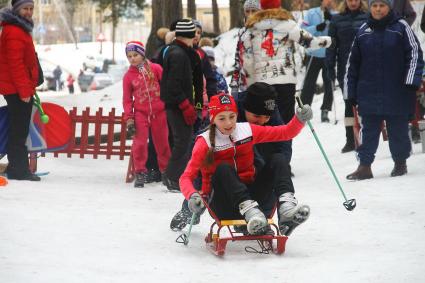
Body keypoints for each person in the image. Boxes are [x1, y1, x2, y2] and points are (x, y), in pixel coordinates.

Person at [179, 93, 312, 235]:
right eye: (222, 118)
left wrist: (299, 119)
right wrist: (192, 195)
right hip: (224, 205)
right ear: (213, 119)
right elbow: (185, 177)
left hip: (256, 202)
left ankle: (286, 210)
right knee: (223, 168)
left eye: (232, 116)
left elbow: (285, 133)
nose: (228, 123)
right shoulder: (204, 142)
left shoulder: (246, 130)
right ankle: (250, 213)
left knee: (278, 159)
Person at [239, 0, 331, 166]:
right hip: (285, 81)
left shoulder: (251, 29)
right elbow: (310, 42)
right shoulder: (287, 24)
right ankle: (283, 163)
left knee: (263, 122)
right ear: (278, 6)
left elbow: (246, 60)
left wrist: (251, 85)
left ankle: (263, 162)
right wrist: (327, 40)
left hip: (262, 84)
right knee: (286, 123)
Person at [345, 0, 424, 180]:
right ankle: (364, 166)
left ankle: (400, 162)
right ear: (370, 8)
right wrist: (350, 92)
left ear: (389, 7)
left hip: (397, 90)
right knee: (368, 131)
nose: (378, 9)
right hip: (368, 91)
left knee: (398, 130)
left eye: (382, 5)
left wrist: (412, 80)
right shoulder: (363, 31)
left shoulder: (401, 28)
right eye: (374, 5)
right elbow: (352, 65)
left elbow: (414, 54)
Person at [160, 19, 203, 191]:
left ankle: (176, 176)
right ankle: (171, 177)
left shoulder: (186, 53)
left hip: (183, 104)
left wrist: (197, 105)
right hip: (178, 105)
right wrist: (186, 106)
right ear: (191, 35)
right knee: (182, 142)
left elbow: (196, 81)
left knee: (184, 141)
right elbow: (173, 85)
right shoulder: (178, 54)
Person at [0, 0, 41, 181]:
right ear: (17, 9)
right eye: (25, 8)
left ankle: (18, 167)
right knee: (19, 130)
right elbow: (15, 65)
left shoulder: (19, 28)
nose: (29, 12)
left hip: (17, 87)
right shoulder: (15, 31)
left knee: (19, 129)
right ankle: (19, 170)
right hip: (16, 88)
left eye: (31, 8)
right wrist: (24, 91)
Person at [123, 41, 171, 188]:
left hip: (159, 112)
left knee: (162, 143)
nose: (132, 58)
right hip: (140, 114)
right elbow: (126, 100)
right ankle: (140, 173)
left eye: (135, 55)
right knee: (140, 143)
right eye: (129, 56)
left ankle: (166, 172)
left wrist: (168, 105)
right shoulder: (128, 76)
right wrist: (129, 118)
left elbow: (167, 86)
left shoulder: (156, 69)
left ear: (142, 54)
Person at [326, 0, 368, 153]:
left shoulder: (368, 16)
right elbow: (331, 44)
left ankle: (368, 137)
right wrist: (329, 65)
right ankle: (350, 139)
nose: (353, 2)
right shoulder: (336, 20)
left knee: (367, 102)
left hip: (366, 66)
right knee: (349, 103)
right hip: (345, 68)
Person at [300, 0, 335, 123]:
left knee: (329, 82)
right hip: (313, 54)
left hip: (328, 54)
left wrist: (332, 21)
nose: (329, 1)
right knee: (309, 84)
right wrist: (316, 27)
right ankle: (304, 111)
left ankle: (325, 110)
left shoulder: (335, 14)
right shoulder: (311, 13)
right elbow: (302, 30)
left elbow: (338, 31)